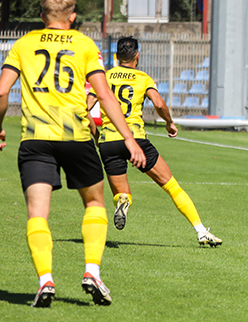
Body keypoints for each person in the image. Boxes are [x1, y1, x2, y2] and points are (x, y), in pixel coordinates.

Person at [0, 0, 147, 308]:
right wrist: (129, 138)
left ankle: (45, 280)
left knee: (38, 213)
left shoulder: (24, 44)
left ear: (42, 15)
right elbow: (104, 96)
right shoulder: (84, 45)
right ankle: (92, 272)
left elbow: (1, 92)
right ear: (72, 16)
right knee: (94, 203)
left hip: (35, 140)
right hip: (76, 138)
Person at [85, 37, 222, 247]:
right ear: (137, 56)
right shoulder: (143, 78)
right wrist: (169, 122)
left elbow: (86, 107)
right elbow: (158, 103)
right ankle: (201, 231)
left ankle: (122, 202)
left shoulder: (103, 77)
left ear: (116, 56)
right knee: (171, 186)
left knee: (122, 193)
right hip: (136, 140)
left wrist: (96, 134)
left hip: (109, 141)